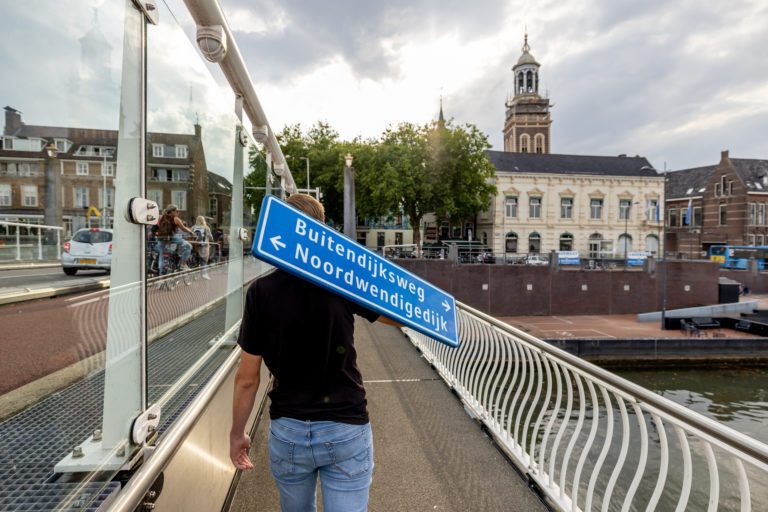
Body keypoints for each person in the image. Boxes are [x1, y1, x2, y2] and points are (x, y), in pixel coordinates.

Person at [230, 194, 399, 512]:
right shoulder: (341, 282)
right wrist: (377, 281)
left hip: (289, 429)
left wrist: (237, 433)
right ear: (321, 231)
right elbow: (397, 319)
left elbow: (248, 378)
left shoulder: (261, 292)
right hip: (345, 425)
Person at [155, 204, 194, 273]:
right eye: (177, 211)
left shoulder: (161, 217)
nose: (178, 212)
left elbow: (156, 227)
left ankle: (160, 274)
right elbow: (183, 228)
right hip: (171, 238)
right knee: (188, 246)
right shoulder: (175, 218)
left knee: (161, 255)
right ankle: (183, 264)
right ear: (172, 211)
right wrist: (192, 232)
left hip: (161, 238)